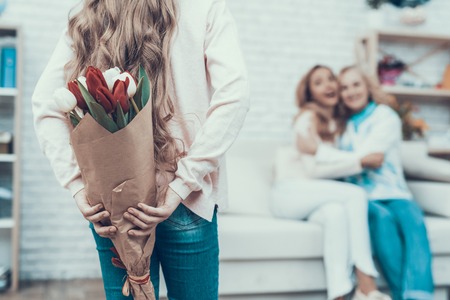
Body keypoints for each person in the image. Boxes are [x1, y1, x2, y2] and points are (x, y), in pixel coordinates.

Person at [32, 0, 249, 299]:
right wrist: (182, 183)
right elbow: (234, 97)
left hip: (114, 204)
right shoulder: (204, 7)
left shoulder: (91, 14)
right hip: (186, 200)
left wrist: (78, 186)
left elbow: (45, 105)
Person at [271, 65, 390, 300]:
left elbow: (327, 162)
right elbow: (313, 170)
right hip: (289, 194)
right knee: (354, 194)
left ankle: (340, 294)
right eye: (318, 82)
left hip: (312, 197)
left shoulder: (338, 123)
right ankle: (366, 282)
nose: (327, 85)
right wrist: (359, 162)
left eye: (330, 79)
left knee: (336, 214)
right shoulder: (308, 117)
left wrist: (350, 158)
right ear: (310, 93)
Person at [338, 66, 434, 300]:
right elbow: (365, 158)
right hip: (362, 196)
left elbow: (373, 156)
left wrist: (340, 160)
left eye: (356, 84)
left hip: (396, 193)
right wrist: (358, 160)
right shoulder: (341, 126)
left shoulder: (385, 116)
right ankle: (403, 295)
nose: (351, 92)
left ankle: (420, 296)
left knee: (414, 221)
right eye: (344, 87)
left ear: (367, 87)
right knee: (382, 221)